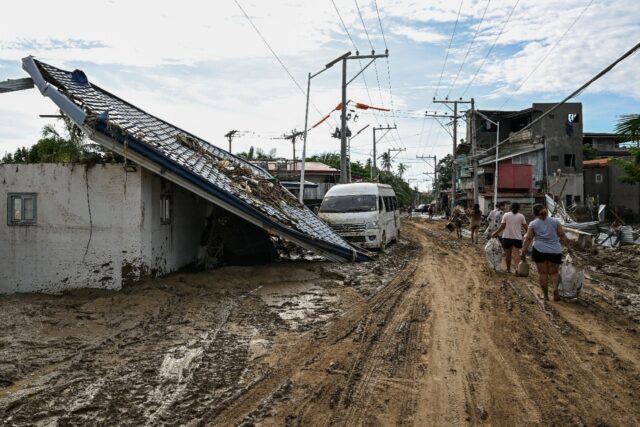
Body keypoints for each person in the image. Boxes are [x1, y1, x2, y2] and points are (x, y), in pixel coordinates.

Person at [521, 204, 572, 301]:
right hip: (555, 251)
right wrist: (569, 248)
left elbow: (528, 238)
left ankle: (545, 295)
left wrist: (523, 251)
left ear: (534, 213)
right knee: (554, 273)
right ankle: (555, 290)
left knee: (543, 274)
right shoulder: (555, 221)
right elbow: (562, 235)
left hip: (540, 251)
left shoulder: (533, 223)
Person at [492, 203, 528, 273]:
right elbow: (526, 227)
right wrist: (527, 235)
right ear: (519, 209)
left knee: (508, 255)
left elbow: (502, 226)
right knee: (516, 254)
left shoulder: (506, 215)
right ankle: (518, 269)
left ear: (510, 208)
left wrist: (495, 233)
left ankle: (508, 269)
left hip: (507, 237)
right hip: (517, 238)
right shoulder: (521, 216)